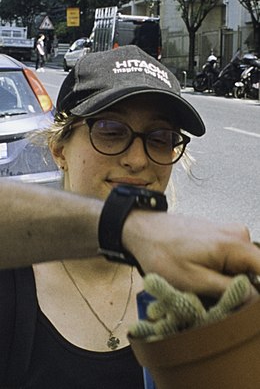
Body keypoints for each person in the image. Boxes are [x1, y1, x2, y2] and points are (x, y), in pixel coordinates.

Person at [0, 46, 259, 388]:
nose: (138, 159)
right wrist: (125, 228)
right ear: (59, 149)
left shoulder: (199, 289)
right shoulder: (11, 283)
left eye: (160, 137)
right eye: (110, 130)